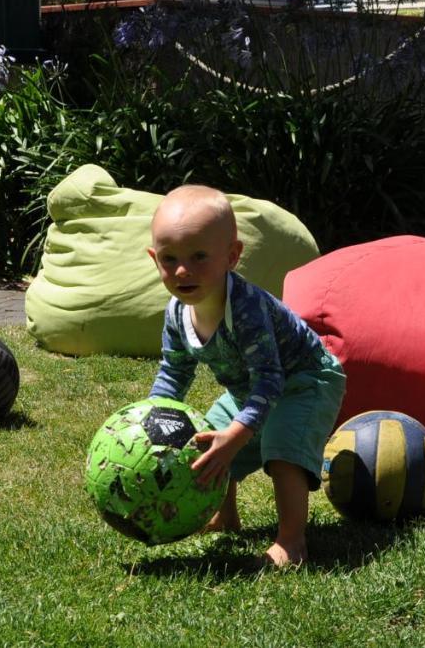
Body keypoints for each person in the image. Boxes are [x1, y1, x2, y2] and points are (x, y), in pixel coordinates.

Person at [145, 184, 346, 566]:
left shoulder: (246, 310)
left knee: (281, 446)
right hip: (251, 389)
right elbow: (173, 373)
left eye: (199, 256)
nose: (182, 270)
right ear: (154, 259)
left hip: (304, 379)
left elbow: (271, 379)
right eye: (170, 259)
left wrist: (238, 435)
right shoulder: (176, 312)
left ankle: (292, 542)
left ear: (232, 256)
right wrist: (150, 418)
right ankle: (225, 516)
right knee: (207, 438)